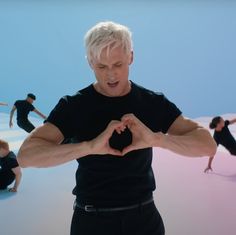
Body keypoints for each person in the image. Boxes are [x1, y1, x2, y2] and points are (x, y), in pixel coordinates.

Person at [17, 21, 217, 235]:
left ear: (131, 57)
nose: (111, 74)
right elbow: (27, 156)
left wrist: (158, 140)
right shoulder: (73, 105)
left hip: (144, 219)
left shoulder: (153, 102)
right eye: (102, 66)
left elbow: (207, 145)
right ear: (90, 63)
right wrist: (89, 146)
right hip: (91, 221)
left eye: (118, 64)